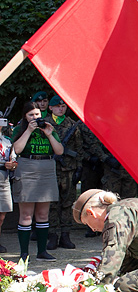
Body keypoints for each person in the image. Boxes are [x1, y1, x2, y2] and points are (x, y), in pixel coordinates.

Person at [12, 101, 64, 261]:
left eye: (37, 114)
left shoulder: (48, 128)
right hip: (27, 167)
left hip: (46, 168)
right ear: (25, 116)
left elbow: (60, 151)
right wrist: (28, 130)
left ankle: (42, 251)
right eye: (31, 115)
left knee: (43, 214)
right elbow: (16, 150)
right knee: (26, 215)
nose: (35, 117)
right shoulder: (19, 129)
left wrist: (49, 133)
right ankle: (24, 254)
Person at [46, 95, 83, 251]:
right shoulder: (46, 124)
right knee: (51, 204)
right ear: (51, 108)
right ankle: (52, 236)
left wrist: (79, 168)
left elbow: (79, 148)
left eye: (63, 106)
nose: (61, 109)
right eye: (57, 106)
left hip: (68, 169)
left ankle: (66, 235)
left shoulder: (73, 125)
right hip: (50, 169)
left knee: (67, 203)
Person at [0, 127, 16, 252]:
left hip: (4, 179)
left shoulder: (7, 141)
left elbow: (14, 161)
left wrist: (12, 165)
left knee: (2, 215)